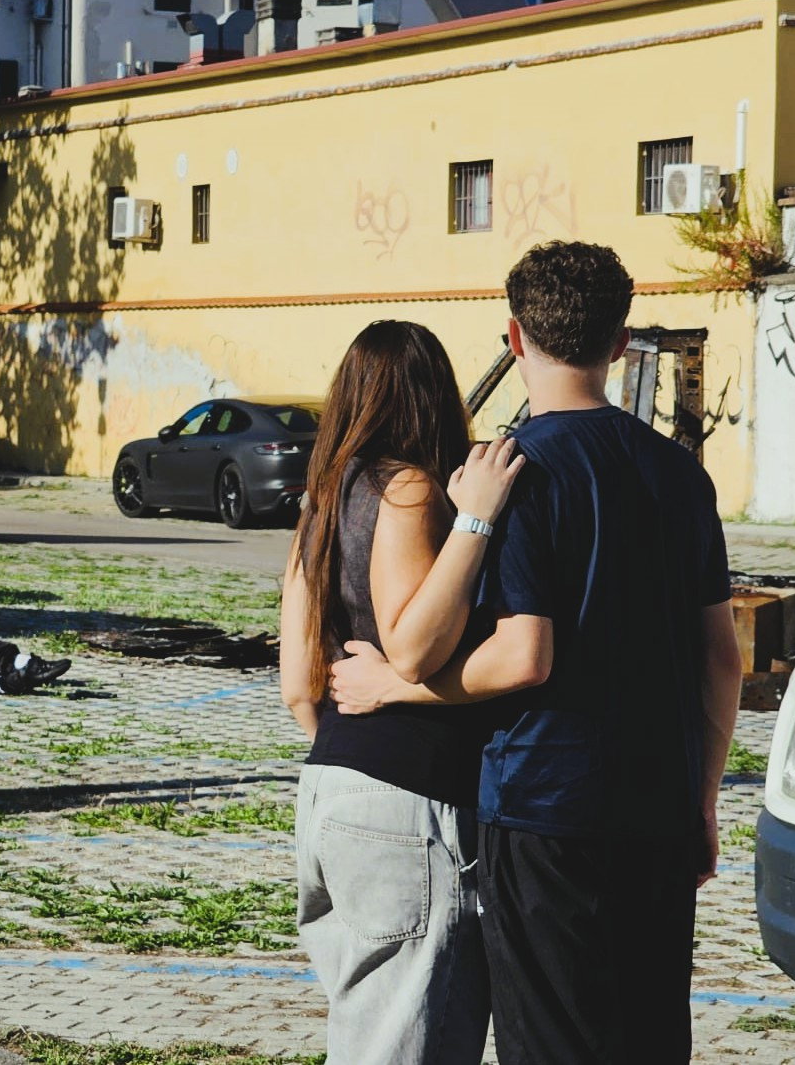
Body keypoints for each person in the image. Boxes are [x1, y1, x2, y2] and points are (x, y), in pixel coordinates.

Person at [328, 242, 744, 1065]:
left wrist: (395, 688)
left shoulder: (512, 469)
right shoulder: (680, 474)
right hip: (658, 807)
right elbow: (722, 660)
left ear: (514, 338)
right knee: (651, 1040)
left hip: (546, 809)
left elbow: (524, 657)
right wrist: (702, 801)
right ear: (622, 344)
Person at [277, 320, 523, 1064]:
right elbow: (413, 646)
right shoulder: (407, 487)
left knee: (367, 1035)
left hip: (327, 793)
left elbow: (297, 684)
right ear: (433, 396)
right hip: (406, 801)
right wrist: (475, 521)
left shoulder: (321, 502)